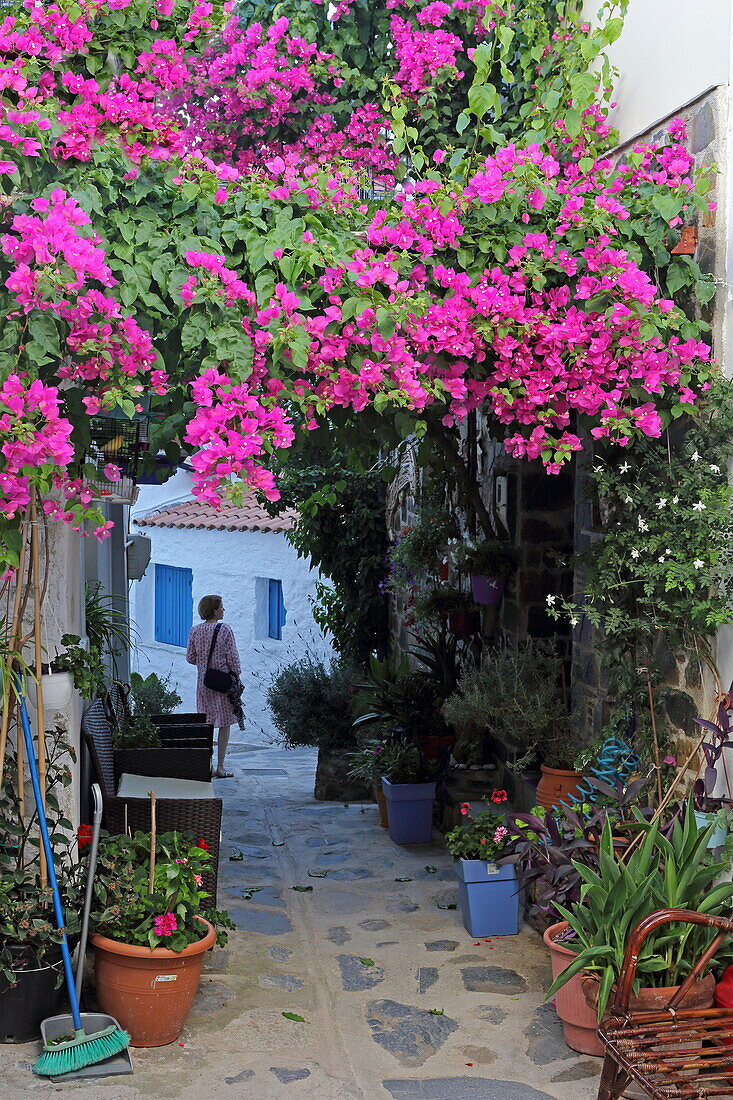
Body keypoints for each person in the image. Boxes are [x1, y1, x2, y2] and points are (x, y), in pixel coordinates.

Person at [186, 594, 243, 778]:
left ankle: (206, 766)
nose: (223, 610)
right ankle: (220, 766)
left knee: (207, 723)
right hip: (223, 684)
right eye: (221, 607)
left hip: (204, 684)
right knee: (224, 725)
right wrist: (235, 675)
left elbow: (190, 658)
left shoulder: (195, 631)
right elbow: (232, 657)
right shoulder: (225, 629)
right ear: (214, 609)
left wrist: (204, 663)